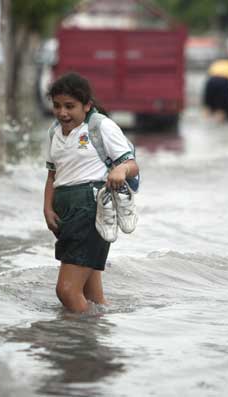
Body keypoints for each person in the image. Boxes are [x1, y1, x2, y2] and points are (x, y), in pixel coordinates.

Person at [43, 72, 139, 313]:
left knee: (66, 291)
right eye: (56, 106)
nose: (62, 113)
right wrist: (47, 208)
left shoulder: (101, 126)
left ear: (87, 105)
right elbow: (52, 174)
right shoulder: (54, 133)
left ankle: (76, 346)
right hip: (66, 213)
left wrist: (120, 170)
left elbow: (132, 165)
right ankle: (95, 340)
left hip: (90, 210)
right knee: (92, 296)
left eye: (70, 106)